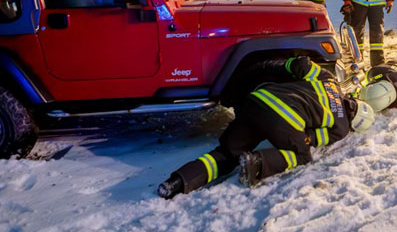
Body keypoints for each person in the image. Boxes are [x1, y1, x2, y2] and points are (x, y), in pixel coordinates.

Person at [157, 57, 374, 198]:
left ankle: (177, 182)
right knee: (302, 156)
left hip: (258, 100)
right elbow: (310, 138)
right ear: (355, 124)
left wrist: (283, 67)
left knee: (226, 153)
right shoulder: (342, 128)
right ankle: (255, 164)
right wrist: (289, 136)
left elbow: (300, 65)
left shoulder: (328, 80)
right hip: (282, 117)